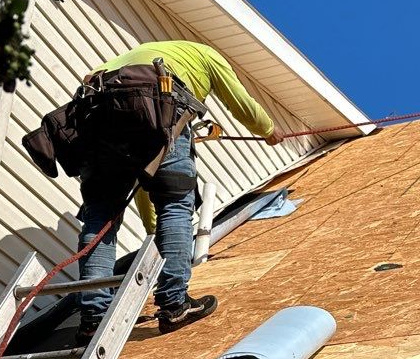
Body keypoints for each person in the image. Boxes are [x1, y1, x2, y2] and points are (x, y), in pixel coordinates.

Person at [74, 40, 284, 342]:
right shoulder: (209, 54)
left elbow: (146, 179)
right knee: (175, 205)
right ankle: (175, 305)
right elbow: (240, 102)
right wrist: (268, 130)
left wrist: (153, 230)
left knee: (100, 217)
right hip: (158, 106)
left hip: (94, 117)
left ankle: (92, 319)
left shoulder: (130, 58)